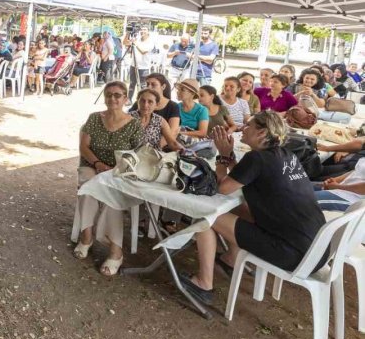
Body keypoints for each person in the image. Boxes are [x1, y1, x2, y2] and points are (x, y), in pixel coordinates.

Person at [181, 115, 326, 307]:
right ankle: (231, 259)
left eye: (248, 125)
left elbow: (221, 189)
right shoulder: (285, 154)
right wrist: (230, 156)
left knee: (208, 216)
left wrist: (223, 157)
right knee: (238, 208)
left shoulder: (256, 158)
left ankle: (203, 284)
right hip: (317, 249)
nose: (243, 127)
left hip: (292, 253)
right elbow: (247, 174)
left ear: (262, 132)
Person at [74, 81, 142, 276]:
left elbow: (137, 155)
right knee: (88, 187)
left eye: (117, 95)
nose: (112, 98)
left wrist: (115, 168)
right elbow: (84, 147)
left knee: (112, 199)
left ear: (125, 99)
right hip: (92, 165)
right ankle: (86, 236)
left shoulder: (133, 124)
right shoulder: (95, 118)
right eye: (109, 94)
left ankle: (115, 251)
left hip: (118, 170)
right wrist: (97, 164)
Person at [122, 25, 153, 99]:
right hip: (134, 65)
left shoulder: (150, 42)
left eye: (145, 29)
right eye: (141, 29)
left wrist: (135, 43)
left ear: (148, 32)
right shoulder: (137, 39)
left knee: (143, 85)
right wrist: (128, 33)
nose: (142, 31)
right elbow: (125, 43)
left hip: (144, 67)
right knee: (132, 83)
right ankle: (129, 99)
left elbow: (143, 51)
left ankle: (142, 100)